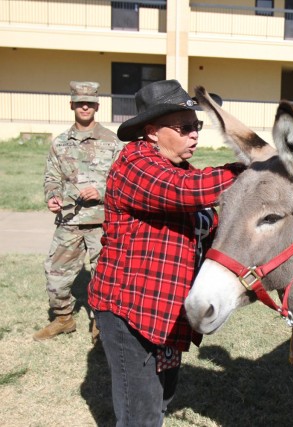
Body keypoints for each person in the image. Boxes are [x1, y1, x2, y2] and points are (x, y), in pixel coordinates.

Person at [87, 79, 245, 426]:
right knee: (139, 415)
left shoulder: (178, 168)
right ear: (152, 132)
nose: (194, 136)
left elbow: (204, 219)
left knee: (161, 400)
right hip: (131, 313)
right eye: (185, 128)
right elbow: (185, 191)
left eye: (196, 127)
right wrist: (254, 166)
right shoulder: (135, 163)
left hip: (168, 312)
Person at [35, 81, 123, 342]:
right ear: (72, 104)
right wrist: (52, 196)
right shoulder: (60, 143)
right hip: (70, 220)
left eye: (90, 102)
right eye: (79, 102)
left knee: (104, 277)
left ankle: (100, 324)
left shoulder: (113, 142)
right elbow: (52, 177)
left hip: (103, 222)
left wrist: (101, 192)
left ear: (97, 105)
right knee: (55, 274)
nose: (85, 106)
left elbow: (125, 182)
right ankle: (64, 318)